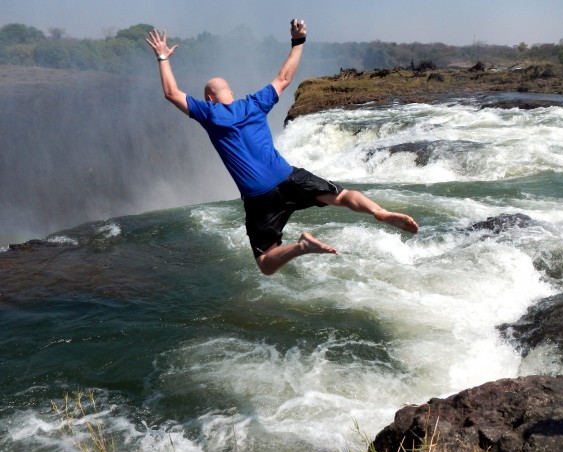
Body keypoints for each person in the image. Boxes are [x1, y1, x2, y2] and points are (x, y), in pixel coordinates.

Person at [146, 20, 419, 275]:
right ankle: (378, 211)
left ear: (208, 98)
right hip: (289, 177)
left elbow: (171, 93)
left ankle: (302, 247)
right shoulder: (254, 104)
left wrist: (163, 57)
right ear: (230, 91)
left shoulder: (209, 114)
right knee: (342, 196)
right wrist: (298, 41)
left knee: (265, 263)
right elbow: (284, 78)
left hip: (259, 197)